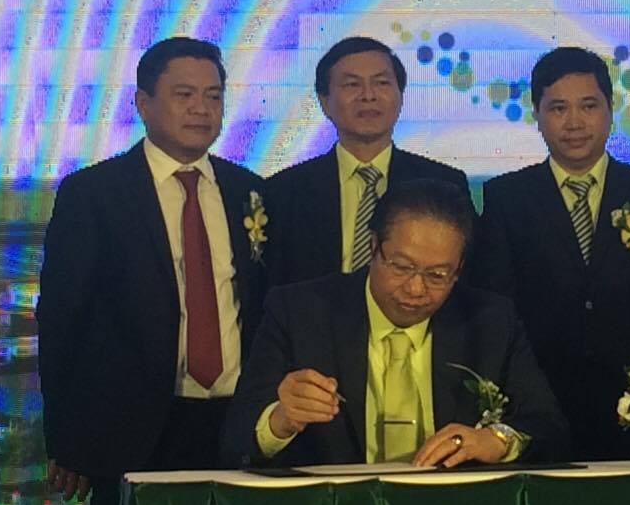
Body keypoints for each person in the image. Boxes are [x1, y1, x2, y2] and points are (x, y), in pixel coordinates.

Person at [36, 36, 267, 505]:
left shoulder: (250, 192)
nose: (201, 110)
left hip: (236, 425)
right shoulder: (94, 194)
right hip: (137, 429)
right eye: (184, 95)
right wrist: (67, 439)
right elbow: (62, 319)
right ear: (143, 103)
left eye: (213, 96)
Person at [227, 180, 569, 467]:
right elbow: (234, 443)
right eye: (402, 267)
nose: (416, 289)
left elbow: (548, 428)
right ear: (373, 246)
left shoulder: (490, 321)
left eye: (437, 275)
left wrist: (498, 440)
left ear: (459, 269)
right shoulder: (300, 312)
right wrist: (281, 421)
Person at [471, 47, 630, 460]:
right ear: (537, 114)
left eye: (588, 106)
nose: (574, 122)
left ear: (610, 108)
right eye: (558, 108)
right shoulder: (507, 198)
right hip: (537, 402)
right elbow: (496, 308)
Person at [260, 35, 471, 286]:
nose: (368, 95)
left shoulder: (445, 185)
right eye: (352, 85)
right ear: (324, 101)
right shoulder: (284, 191)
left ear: (400, 95)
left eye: (381, 83)